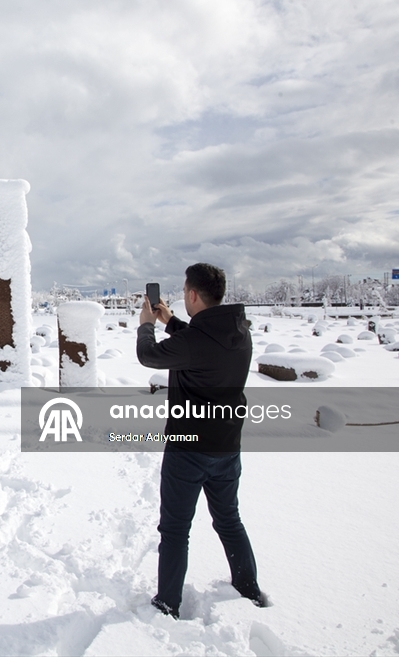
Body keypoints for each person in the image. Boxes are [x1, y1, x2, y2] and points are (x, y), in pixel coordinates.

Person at [136, 263, 268, 619]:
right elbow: (201, 344)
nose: (182, 296)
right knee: (229, 519)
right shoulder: (239, 330)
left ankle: (168, 603)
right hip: (226, 446)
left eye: (183, 291)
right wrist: (171, 322)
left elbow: (149, 355)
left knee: (176, 529)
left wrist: (147, 325)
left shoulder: (195, 341)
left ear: (193, 294)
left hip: (188, 449)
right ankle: (247, 585)